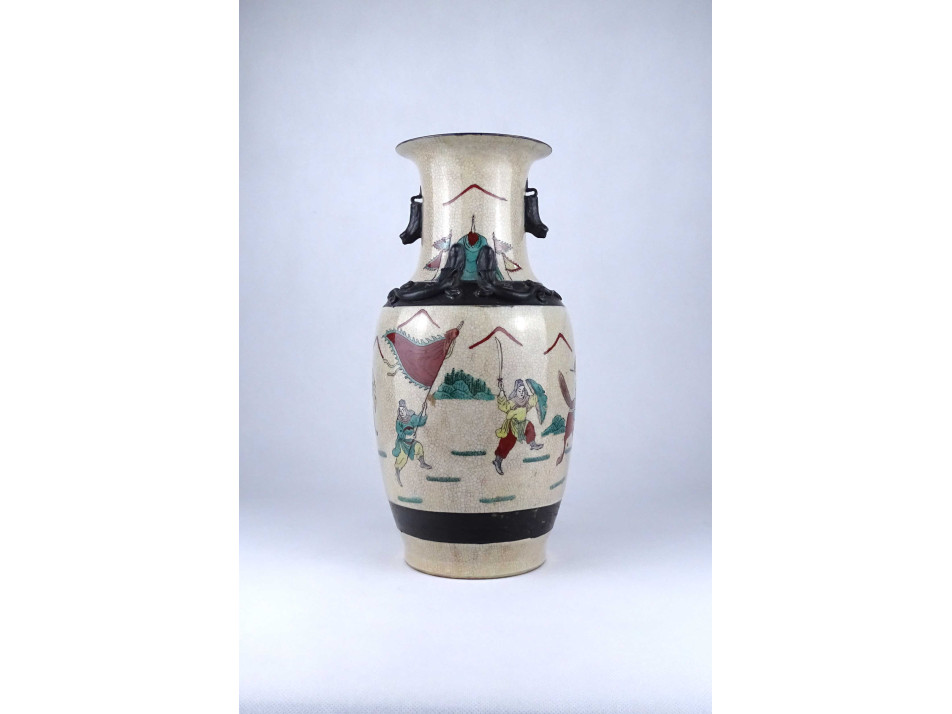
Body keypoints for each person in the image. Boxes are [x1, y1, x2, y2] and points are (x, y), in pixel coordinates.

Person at [492, 379, 543, 475]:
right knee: (507, 442)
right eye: (519, 390)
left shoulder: (526, 400)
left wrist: (535, 392)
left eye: (523, 390)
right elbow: (504, 406)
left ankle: (532, 443)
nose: (522, 392)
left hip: (523, 423)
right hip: (513, 424)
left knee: (530, 427)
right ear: (516, 391)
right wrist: (501, 391)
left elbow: (532, 401)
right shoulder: (512, 401)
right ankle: (497, 460)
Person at [392, 400, 432, 485]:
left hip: (411, 442)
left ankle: (422, 463)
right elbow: (400, 433)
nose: (401, 412)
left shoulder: (411, 418)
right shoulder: (399, 422)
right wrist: (409, 437)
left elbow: (419, 420)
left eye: (403, 410)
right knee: (402, 459)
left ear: (406, 409)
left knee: (418, 446)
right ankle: (397, 472)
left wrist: (424, 409)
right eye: (400, 410)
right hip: (402, 443)